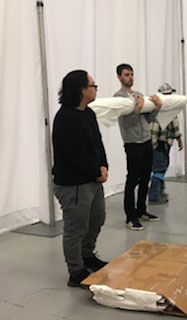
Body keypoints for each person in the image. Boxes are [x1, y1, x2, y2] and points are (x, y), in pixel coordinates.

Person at [52, 70, 109, 288]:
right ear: (81, 89)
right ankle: (75, 270)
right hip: (74, 184)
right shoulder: (65, 118)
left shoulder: (88, 114)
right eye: (93, 85)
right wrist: (96, 172)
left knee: (97, 219)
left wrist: (103, 165)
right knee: (76, 228)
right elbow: (75, 154)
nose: (95, 89)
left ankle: (87, 256)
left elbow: (97, 142)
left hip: (92, 179)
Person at [115, 64, 162, 231]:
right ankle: (130, 216)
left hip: (146, 140)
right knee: (133, 179)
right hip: (133, 143)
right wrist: (138, 108)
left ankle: (141, 210)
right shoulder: (118, 98)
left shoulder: (138, 95)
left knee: (145, 177)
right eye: (127, 75)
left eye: (132, 74)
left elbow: (148, 119)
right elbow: (125, 120)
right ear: (119, 77)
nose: (130, 78)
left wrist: (156, 107)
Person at [148, 83, 183, 205]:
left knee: (159, 168)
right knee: (160, 169)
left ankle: (160, 191)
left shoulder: (154, 107)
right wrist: (179, 139)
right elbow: (175, 125)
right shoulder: (168, 109)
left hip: (153, 143)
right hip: (161, 144)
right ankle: (154, 196)